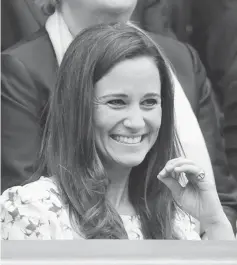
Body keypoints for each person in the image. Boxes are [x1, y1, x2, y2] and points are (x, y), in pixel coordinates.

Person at [1, 0, 237, 234]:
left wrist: (214, 223)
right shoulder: (32, 210)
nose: (136, 122)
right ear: (77, 105)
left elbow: (221, 198)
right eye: (116, 103)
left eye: (150, 102)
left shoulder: (178, 216)